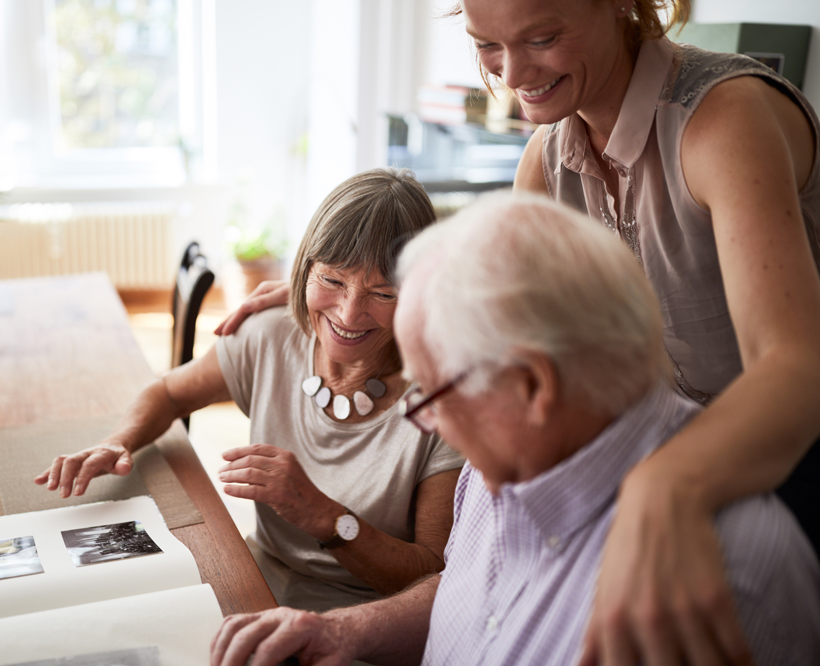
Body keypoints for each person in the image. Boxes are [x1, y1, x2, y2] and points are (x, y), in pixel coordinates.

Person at [214, 1, 820, 663]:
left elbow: (796, 369)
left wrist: (664, 486)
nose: (512, 73)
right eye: (486, 45)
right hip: (626, 460)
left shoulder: (722, 120)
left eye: (542, 37)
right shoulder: (549, 153)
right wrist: (330, 290)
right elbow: (489, 298)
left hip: (768, 456)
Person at [35, 167, 464, 612]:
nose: (349, 314)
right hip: (255, 578)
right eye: (333, 281)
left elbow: (430, 571)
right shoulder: (271, 334)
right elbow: (168, 393)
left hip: (366, 621)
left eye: (383, 293)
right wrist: (117, 442)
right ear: (305, 269)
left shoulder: (444, 401)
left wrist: (326, 518)